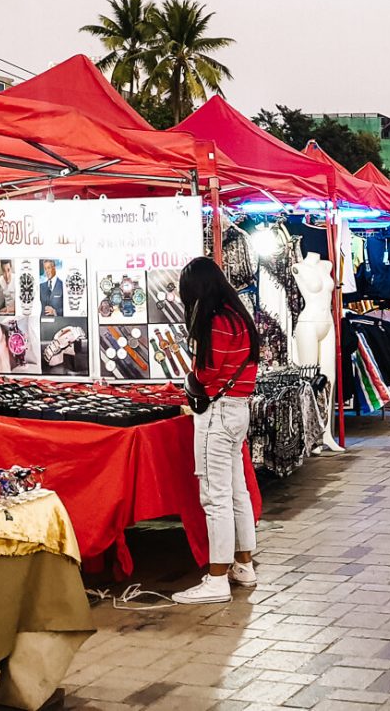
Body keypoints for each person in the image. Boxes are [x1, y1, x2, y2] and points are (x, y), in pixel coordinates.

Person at [173, 257, 261, 604]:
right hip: (238, 411)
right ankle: (244, 565)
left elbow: (207, 375)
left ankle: (217, 578)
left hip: (218, 416)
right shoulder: (239, 316)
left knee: (215, 496)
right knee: (237, 491)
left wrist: (190, 379)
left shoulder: (216, 321)